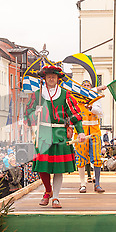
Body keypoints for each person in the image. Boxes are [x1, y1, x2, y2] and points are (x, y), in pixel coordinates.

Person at [26, 64, 85, 208]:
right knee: (42, 167)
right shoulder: (37, 95)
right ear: (44, 78)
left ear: (58, 78)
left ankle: (56, 198)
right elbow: (28, 115)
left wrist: (81, 131)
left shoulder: (65, 94)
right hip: (43, 133)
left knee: (58, 168)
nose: (51, 78)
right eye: (48, 76)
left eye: (54, 76)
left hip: (60, 133)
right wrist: (35, 113)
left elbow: (75, 114)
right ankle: (48, 191)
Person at [74, 79, 106, 193]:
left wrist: (91, 107)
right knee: (81, 158)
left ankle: (97, 184)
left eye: (88, 85)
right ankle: (82, 184)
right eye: (84, 85)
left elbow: (101, 113)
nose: (86, 87)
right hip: (80, 131)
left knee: (97, 158)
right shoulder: (76, 99)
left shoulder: (95, 98)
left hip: (94, 132)